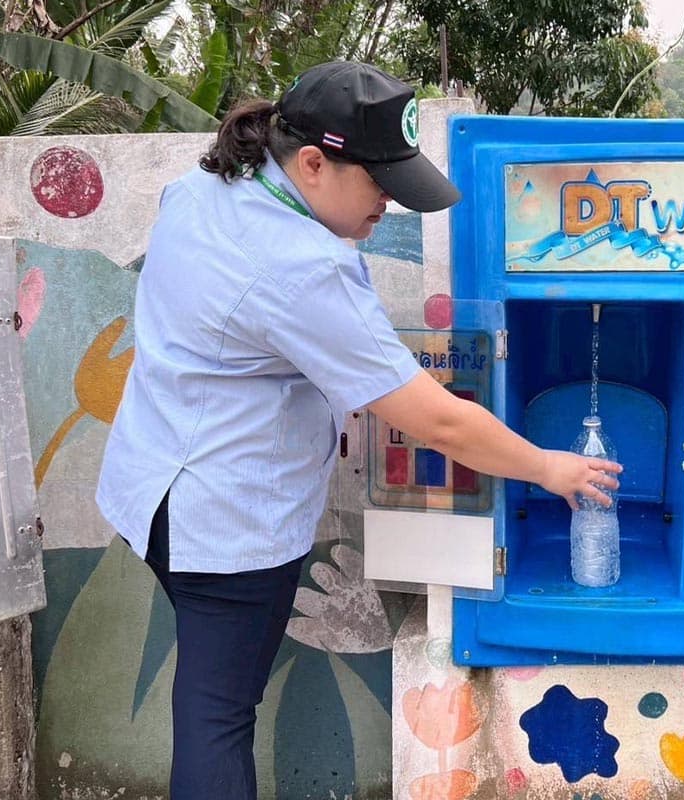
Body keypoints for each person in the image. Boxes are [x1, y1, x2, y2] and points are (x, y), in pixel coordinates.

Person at [95, 61, 621, 799]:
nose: (389, 203)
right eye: (379, 182)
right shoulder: (304, 267)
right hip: (225, 524)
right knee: (219, 716)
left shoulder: (201, 190)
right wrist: (548, 467)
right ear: (312, 163)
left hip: (151, 489)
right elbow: (437, 419)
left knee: (210, 697)